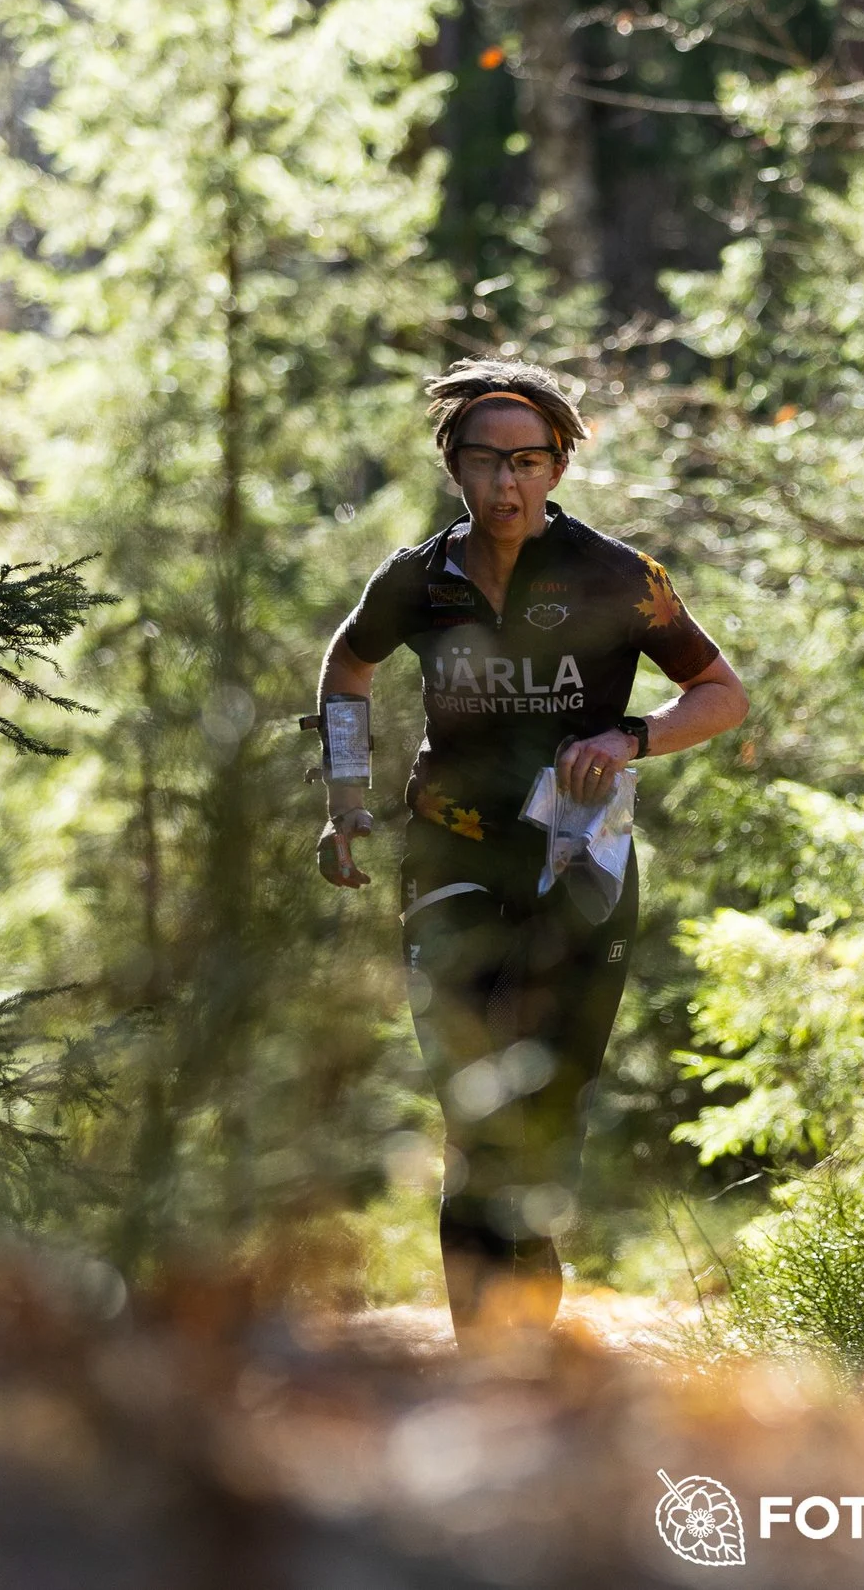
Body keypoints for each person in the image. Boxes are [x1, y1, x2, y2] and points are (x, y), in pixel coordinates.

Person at [313, 357, 748, 1337]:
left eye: (526, 461)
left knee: (545, 1110)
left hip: (579, 864)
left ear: (557, 466)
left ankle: (524, 1335)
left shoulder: (617, 575)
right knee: (473, 1105)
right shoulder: (418, 579)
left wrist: (628, 735)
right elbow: (347, 669)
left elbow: (724, 694)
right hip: (451, 856)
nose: (505, 484)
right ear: (452, 466)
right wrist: (344, 799)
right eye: (484, 462)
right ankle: (484, 1354)